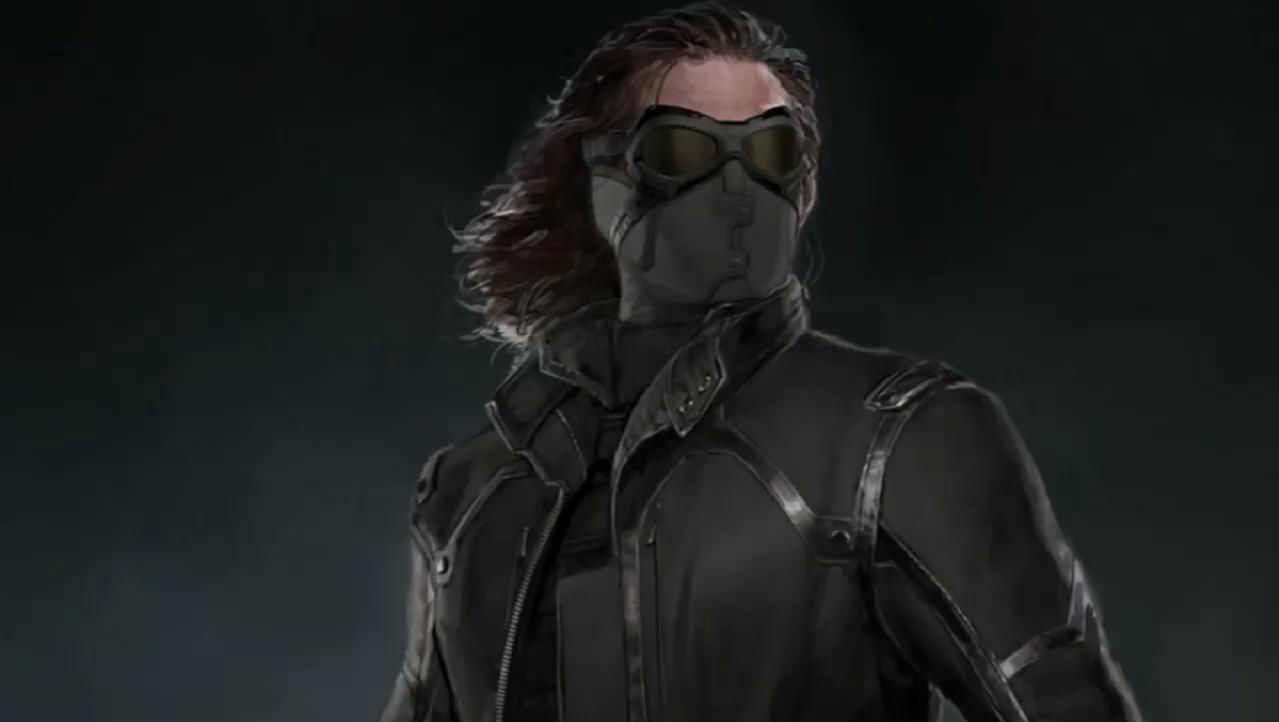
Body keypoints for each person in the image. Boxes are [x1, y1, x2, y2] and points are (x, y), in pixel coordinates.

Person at [380, 3, 1145, 721]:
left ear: (804, 187)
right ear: (601, 183)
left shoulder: (901, 436)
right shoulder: (469, 494)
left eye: (772, 151)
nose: (738, 186)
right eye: (683, 150)